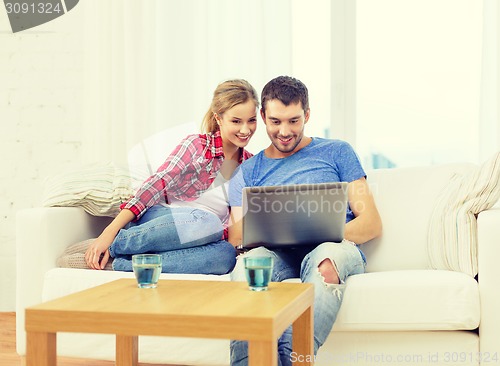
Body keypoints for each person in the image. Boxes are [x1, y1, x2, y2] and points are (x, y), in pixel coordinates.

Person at [228, 76, 382, 366]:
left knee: (326, 258)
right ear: (262, 117)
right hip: (277, 254)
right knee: (249, 265)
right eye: (275, 122)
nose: (284, 132)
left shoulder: (337, 152)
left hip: (333, 247)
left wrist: (318, 231)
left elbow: (371, 223)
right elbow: (237, 236)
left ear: (307, 115)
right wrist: (277, 229)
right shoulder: (247, 171)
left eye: (294, 121)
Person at [84, 79, 259, 274]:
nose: (246, 130)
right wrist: (108, 233)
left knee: (225, 255)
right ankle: (115, 244)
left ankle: (119, 264)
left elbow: (235, 228)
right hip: (164, 219)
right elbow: (156, 185)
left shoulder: (249, 167)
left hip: (203, 235)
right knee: (207, 222)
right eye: (236, 121)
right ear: (218, 119)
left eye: (251, 120)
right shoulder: (197, 146)